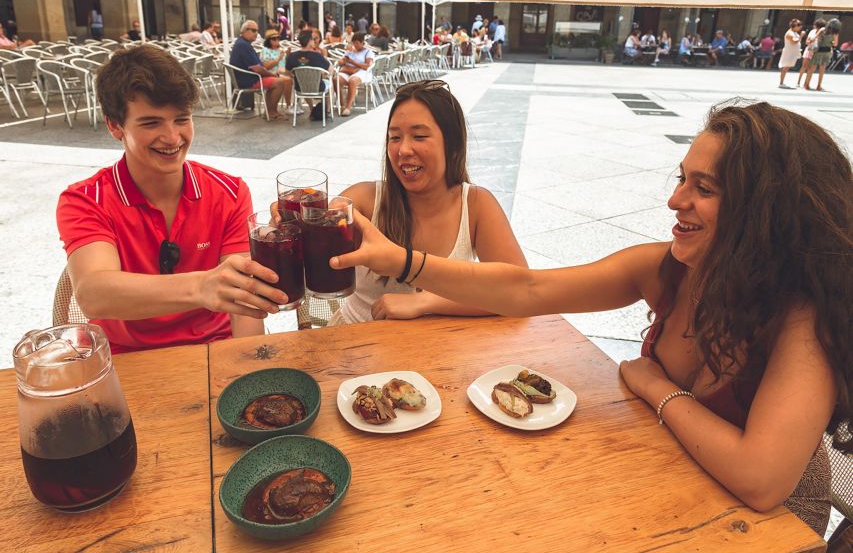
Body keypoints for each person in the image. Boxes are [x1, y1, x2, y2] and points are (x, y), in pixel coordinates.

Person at [333, 100, 851, 536]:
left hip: (774, 527)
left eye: (704, 188)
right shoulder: (663, 268)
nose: (675, 200)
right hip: (676, 476)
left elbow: (761, 479)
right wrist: (403, 262)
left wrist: (655, 387)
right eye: (681, 179)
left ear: (768, 210)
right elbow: (527, 288)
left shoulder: (804, 316)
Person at [56, 46, 287, 354]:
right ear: (115, 126)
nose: (172, 137)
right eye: (151, 123)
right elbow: (93, 293)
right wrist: (201, 286)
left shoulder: (228, 192)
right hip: (127, 359)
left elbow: (241, 300)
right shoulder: (87, 199)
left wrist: (249, 366)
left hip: (214, 349)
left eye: (181, 119)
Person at [273, 79, 527, 324]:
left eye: (419, 136)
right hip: (357, 344)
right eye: (395, 137)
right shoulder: (364, 200)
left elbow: (518, 292)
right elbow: (320, 231)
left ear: (453, 145)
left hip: (441, 350)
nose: (403, 150)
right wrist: (293, 226)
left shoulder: (476, 204)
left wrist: (427, 302)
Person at [229, 20, 292, 119]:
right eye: (253, 30)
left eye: (257, 31)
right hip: (249, 80)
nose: (256, 33)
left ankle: (269, 111)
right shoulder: (243, 45)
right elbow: (258, 69)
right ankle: (272, 112)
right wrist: (272, 75)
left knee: (280, 80)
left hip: (249, 77)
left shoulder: (243, 44)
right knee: (279, 82)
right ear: (245, 31)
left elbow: (259, 67)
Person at [284, 29, 332, 109]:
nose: (314, 41)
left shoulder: (291, 56)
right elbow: (330, 69)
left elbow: (287, 73)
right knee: (330, 83)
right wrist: (324, 76)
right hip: (318, 87)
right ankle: (327, 110)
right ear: (309, 41)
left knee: (303, 81)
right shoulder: (317, 56)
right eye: (313, 39)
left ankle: (311, 108)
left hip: (300, 88)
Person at [336, 31, 374, 116]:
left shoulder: (368, 52)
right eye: (354, 43)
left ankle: (348, 107)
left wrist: (353, 62)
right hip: (348, 71)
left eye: (357, 43)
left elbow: (367, 66)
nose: (355, 45)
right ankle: (342, 104)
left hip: (362, 72)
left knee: (352, 81)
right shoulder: (350, 50)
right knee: (336, 79)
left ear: (362, 43)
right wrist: (341, 61)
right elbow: (344, 60)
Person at [805, 18, 840, 92]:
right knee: (822, 70)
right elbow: (835, 44)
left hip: (818, 50)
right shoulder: (835, 33)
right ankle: (819, 85)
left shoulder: (822, 29)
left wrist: (810, 42)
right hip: (826, 52)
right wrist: (831, 42)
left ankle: (807, 84)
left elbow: (815, 38)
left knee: (812, 68)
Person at [778, 19, 803, 89]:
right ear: (794, 26)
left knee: (787, 67)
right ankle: (781, 82)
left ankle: (782, 82)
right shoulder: (789, 33)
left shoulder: (794, 32)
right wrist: (801, 36)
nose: (800, 27)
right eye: (798, 25)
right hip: (788, 53)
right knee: (785, 67)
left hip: (791, 53)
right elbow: (793, 42)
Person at [797, 19, 823, 88]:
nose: (813, 26)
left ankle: (806, 83)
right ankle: (798, 82)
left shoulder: (823, 34)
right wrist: (811, 40)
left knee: (811, 69)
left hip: (816, 52)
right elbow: (807, 42)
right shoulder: (812, 31)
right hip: (809, 49)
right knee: (804, 66)